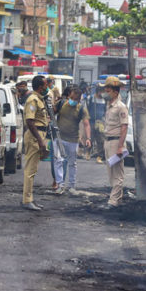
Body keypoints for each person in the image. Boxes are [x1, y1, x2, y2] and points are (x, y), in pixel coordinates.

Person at [53, 86, 91, 195]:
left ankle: (71, 186)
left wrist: (88, 138)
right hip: (59, 138)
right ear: (69, 95)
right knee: (58, 161)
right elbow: (51, 113)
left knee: (72, 163)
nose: (73, 101)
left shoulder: (81, 108)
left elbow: (86, 124)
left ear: (79, 99)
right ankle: (60, 185)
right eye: (72, 98)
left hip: (73, 140)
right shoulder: (61, 104)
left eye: (76, 99)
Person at [22, 75, 50, 211]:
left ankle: (30, 198)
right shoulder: (33, 100)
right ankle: (27, 200)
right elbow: (29, 121)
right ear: (40, 86)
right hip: (34, 137)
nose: (47, 87)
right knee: (30, 170)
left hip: (38, 135)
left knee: (33, 170)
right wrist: (40, 140)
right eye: (45, 85)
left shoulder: (39, 99)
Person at [101, 76, 128, 209]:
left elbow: (124, 127)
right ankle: (118, 198)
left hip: (116, 142)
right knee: (111, 172)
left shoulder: (121, 107)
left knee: (117, 173)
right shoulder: (110, 105)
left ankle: (113, 201)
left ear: (115, 92)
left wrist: (120, 146)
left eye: (108, 89)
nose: (106, 91)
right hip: (108, 142)